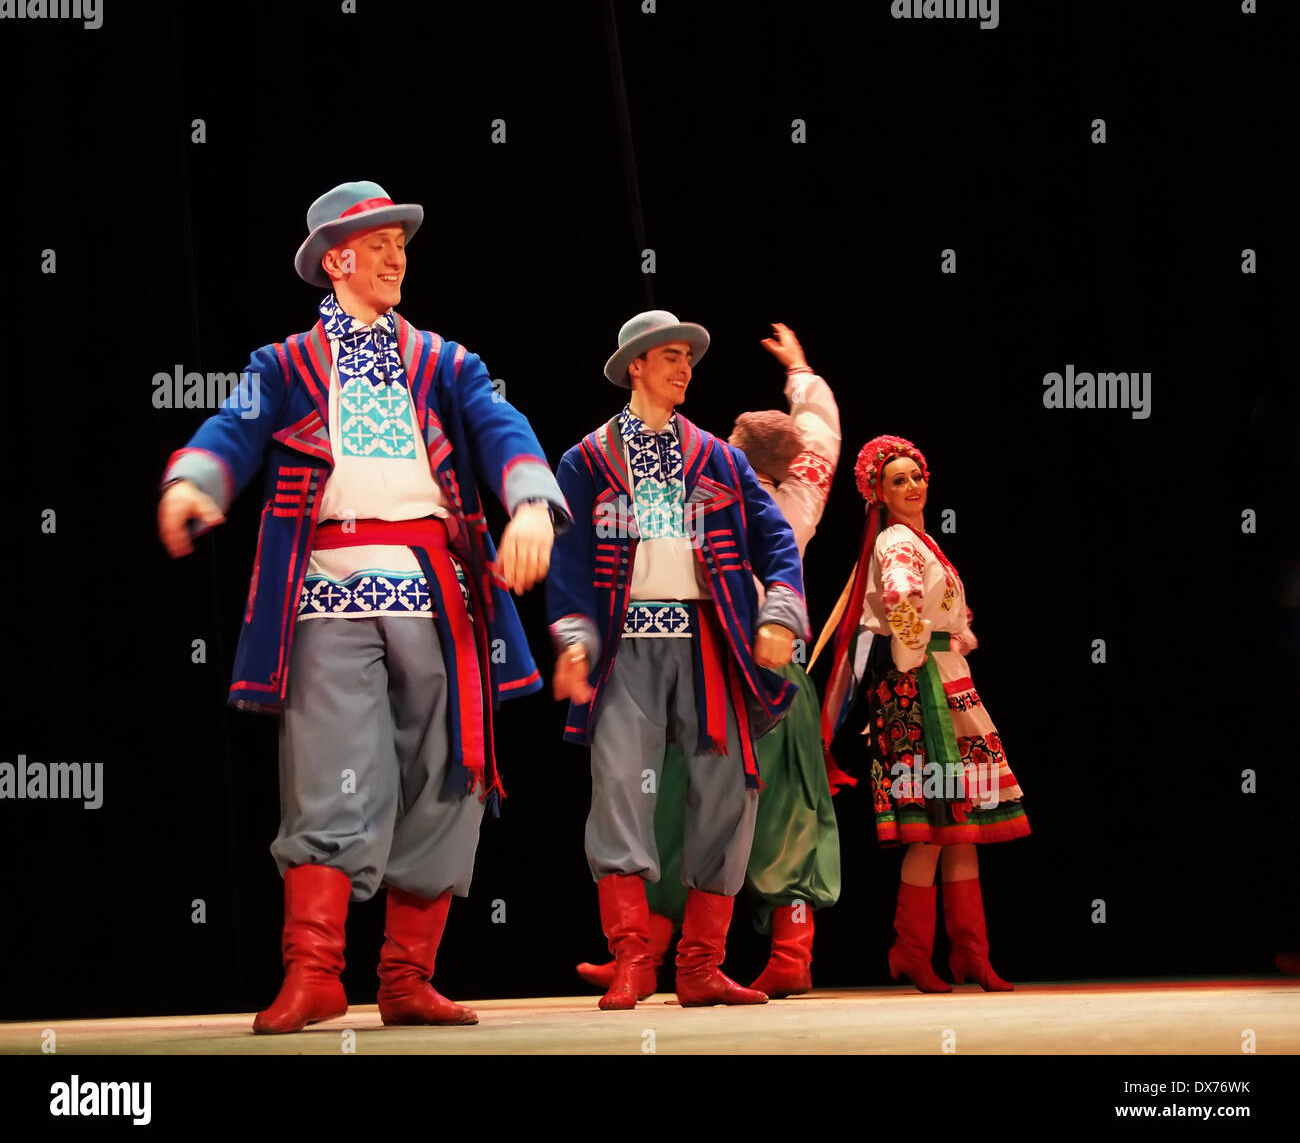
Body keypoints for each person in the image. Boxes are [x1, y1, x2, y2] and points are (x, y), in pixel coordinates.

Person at [157, 181, 570, 1033]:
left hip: (437, 592)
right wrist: (196, 482)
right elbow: (232, 430)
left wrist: (529, 502)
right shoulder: (284, 365)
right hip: (328, 590)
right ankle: (313, 971)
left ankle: (407, 976)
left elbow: (502, 426)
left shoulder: (443, 361)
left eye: (400, 244)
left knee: (446, 772)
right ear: (335, 261)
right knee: (328, 766)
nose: (394, 257)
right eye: (376, 244)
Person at [573, 323, 847, 999]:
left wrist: (781, 614)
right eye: (671, 357)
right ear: (635, 367)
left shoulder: (715, 458)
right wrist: (573, 637)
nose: (686, 368)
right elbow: (570, 563)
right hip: (628, 644)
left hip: (713, 644)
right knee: (622, 793)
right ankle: (634, 957)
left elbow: (778, 539)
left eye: (690, 358)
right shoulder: (587, 460)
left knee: (730, 794)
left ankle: (700, 966)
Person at [820, 435, 1029, 992]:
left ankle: (970, 954)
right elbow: (900, 604)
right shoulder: (896, 542)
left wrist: (953, 641)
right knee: (932, 829)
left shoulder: (922, 540)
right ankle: (912, 951)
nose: (913, 486)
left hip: (946, 683)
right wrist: (916, 658)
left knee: (962, 827)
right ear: (879, 493)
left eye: (917, 476)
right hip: (920, 688)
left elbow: (943, 612)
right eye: (899, 480)